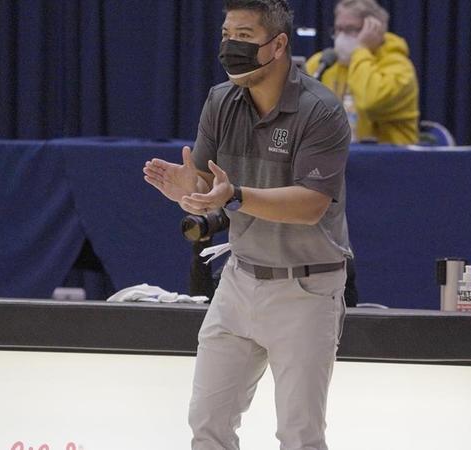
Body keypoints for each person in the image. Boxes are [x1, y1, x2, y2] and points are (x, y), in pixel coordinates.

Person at [142, 1, 352, 448]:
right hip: (238, 280)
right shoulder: (220, 100)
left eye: (243, 35)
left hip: (306, 289)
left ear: (277, 45)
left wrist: (234, 195)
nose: (229, 46)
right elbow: (205, 184)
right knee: (207, 423)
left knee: (299, 434)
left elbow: (311, 204)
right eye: (226, 34)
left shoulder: (321, 110)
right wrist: (188, 191)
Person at [305, 0, 419, 145]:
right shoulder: (323, 63)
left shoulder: (399, 67)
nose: (342, 37)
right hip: (333, 157)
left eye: (351, 29)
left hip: (390, 160)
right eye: (338, 29)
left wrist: (361, 50)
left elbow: (370, 101)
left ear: (375, 30)